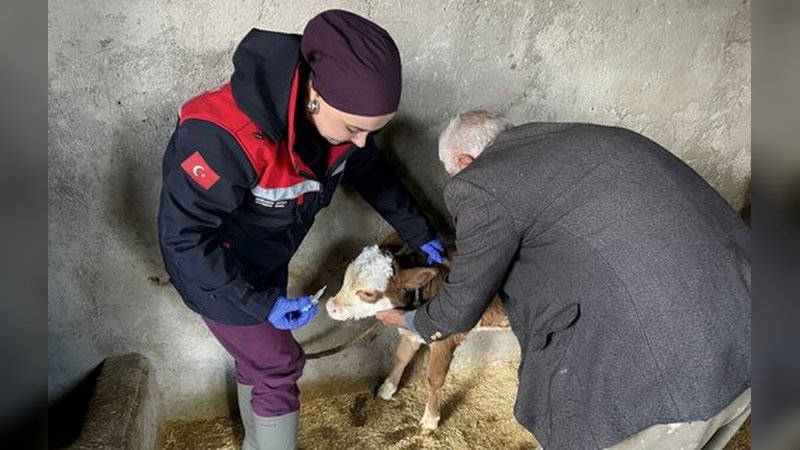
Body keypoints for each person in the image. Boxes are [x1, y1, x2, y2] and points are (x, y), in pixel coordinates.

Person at [377, 111, 751, 449]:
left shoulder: (478, 183)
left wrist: (409, 320)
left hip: (669, 374)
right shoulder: (594, 137)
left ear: (464, 162)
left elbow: (460, 308)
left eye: (454, 174)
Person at [157, 10, 444, 450]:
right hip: (214, 269)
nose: (361, 141)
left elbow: (370, 169)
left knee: (258, 365)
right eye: (354, 128)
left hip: (267, 257)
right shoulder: (222, 137)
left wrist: (418, 229)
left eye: (371, 131)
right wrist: (258, 303)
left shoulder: (341, 131)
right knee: (279, 365)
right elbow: (184, 238)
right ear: (315, 93)